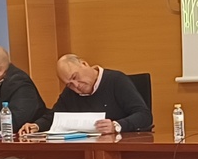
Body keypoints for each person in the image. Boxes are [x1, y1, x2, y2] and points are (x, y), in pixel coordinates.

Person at [20, 55, 152, 135]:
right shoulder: (70, 93)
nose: (76, 86)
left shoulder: (116, 80)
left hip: (121, 148)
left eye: (75, 77)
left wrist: (116, 125)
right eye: (69, 84)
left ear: (84, 64)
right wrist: (36, 126)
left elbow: (144, 115)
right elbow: (54, 116)